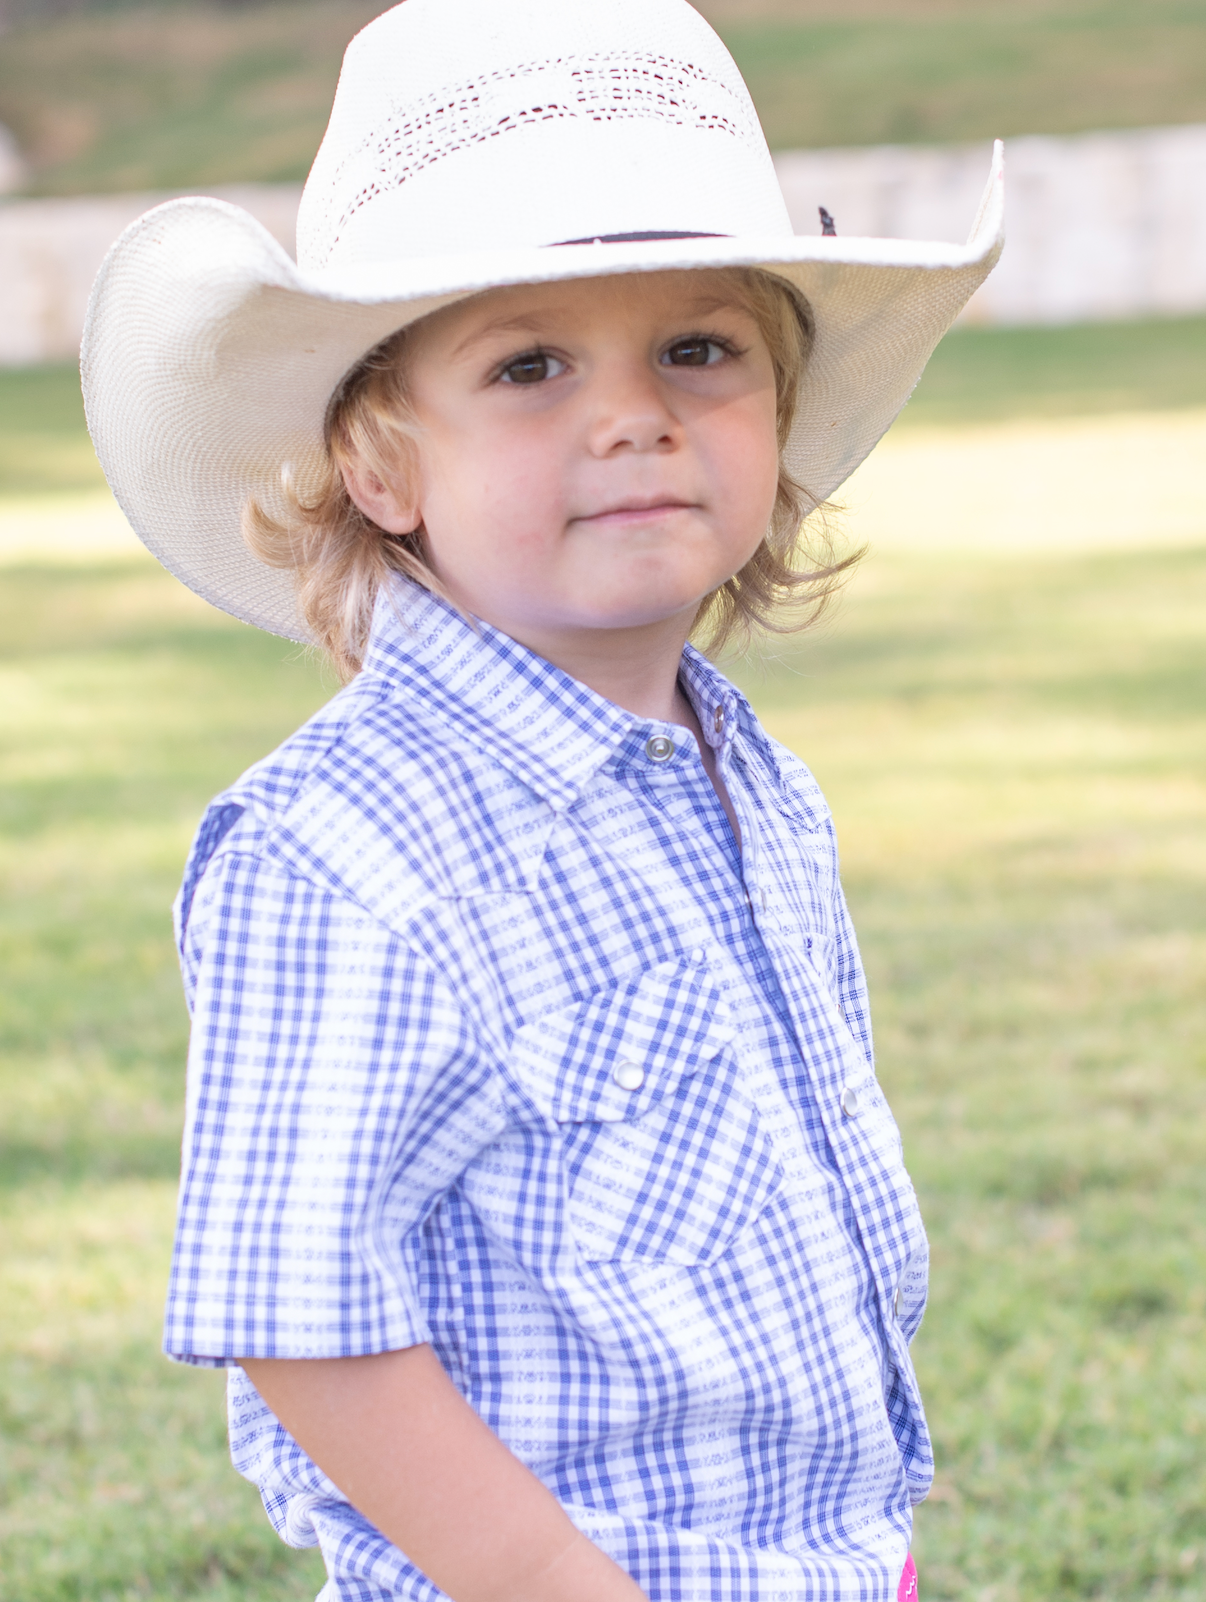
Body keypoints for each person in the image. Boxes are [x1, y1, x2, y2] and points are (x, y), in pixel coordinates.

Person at [81, 1, 1003, 1598]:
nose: (631, 412)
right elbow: (303, 1314)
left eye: (697, 350)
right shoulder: (343, 848)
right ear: (381, 468)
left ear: (776, 412)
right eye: (528, 364)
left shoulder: (743, 775)